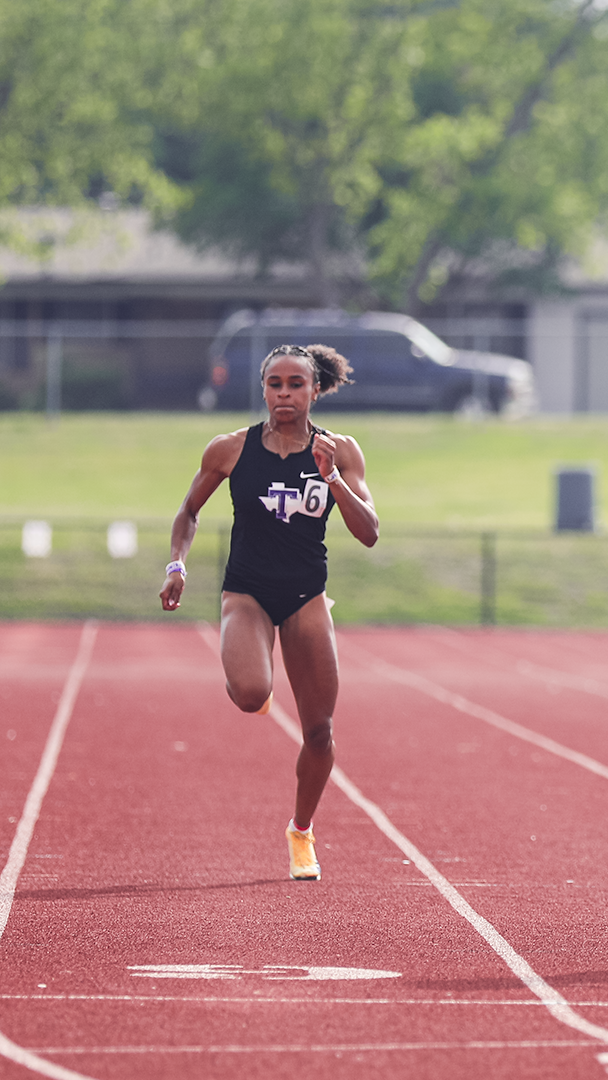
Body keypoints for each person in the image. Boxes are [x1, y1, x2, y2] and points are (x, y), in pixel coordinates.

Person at [159, 344, 378, 881]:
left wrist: (333, 480)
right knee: (253, 694)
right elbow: (189, 511)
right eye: (275, 384)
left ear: (314, 389)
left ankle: (301, 831)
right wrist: (177, 566)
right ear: (263, 390)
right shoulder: (230, 449)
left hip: (305, 595)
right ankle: (254, 666)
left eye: (296, 385)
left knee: (320, 732)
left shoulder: (341, 451)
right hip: (248, 593)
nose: (285, 394)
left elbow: (369, 532)